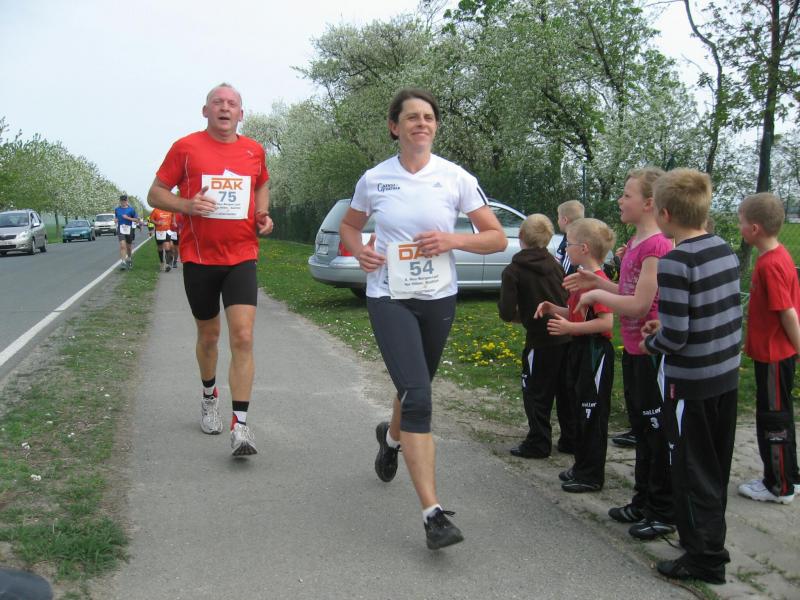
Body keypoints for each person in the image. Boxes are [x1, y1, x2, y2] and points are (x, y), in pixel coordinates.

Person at [339, 88, 507, 550]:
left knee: (415, 388)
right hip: (389, 296)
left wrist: (454, 241)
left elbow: (495, 238)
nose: (421, 124)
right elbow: (350, 226)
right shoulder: (375, 179)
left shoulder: (455, 178)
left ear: (435, 126)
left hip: (438, 297)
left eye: (429, 117)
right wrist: (359, 251)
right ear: (394, 127)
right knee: (418, 396)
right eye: (412, 117)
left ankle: (391, 440)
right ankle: (433, 515)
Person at [147, 82, 273, 457]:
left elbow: (262, 184)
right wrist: (186, 205)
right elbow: (155, 193)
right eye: (217, 102)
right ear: (206, 111)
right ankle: (208, 396)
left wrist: (262, 214)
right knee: (209, 336)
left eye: (232, 103)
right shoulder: (185, 148)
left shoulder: (254, 150)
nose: (224, 107)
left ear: (241, 113)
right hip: (200, 258)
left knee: (243, 336)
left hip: (241, 255)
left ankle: (241, 426)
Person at [640, 168, 741, 585]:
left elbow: (676, 338)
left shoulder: (675, 262)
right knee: (714, 466)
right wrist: (665, 328)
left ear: (664, 214)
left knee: (691, 469)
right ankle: (707, 539)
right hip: (726, 377)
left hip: (691, 385)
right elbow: (709, 314)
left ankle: (704, 559)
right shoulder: (723, 248)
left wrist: (653, 341)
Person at [565, 168, 674, 540]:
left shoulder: (657, 245)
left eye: (627, 195)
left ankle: (662, 510)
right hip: (634, 351)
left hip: (651, 350)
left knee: (656, 430)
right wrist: (599, 281)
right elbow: (627, 291)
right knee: (642, 429)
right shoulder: (637, 241)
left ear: (649, 203)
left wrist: (597, 294)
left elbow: (641, 304)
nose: (620, 200)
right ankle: (642, 501)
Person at [534, 217, 616, 493]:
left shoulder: (598, 282)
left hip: (595, 352)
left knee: (592, 413)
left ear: (583, 248)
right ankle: (581, 465)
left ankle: (591, 474)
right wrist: (554, 309)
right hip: (579, 350)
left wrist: (571, 328)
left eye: (568, 244)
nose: (565, 249)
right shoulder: (580, 278)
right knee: (579, 410)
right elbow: (577, 313)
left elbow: (605, 323)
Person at [737, 192, 800, 504]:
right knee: (779, 415)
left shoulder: (770, 264)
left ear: (755, 228)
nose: (739, 227)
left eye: (741, 222)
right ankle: (790, 475)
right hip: (771, 354)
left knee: (774, 419)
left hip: (775, 355)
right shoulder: (773, 257)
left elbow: (786, 312)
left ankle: (779, 485)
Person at [498, 214, 570, 458]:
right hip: (567, 333)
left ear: (520, 236)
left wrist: (526, 317)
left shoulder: (514, 271)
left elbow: (506, 311)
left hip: (540, 340)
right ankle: (570, 438)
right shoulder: (556, 265)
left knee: (535, 391)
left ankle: (539, 442)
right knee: (565, 390)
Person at [115, 194, 139, 270]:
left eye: (124, 200)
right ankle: (123, 262)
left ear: (127, 201)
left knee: (129, 247)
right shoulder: (117, 209)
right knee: (122, 246)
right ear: (120, 201)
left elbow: (136, 220)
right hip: (121, 229)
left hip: (129, 229)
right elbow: (117, 217)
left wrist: (127, 218)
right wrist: (116, 220)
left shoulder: (131, 210)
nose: (123, 202)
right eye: (122, 201)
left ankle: (129, 258)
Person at [148, 207, 175, 272]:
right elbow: (151, 220)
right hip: (159, 232)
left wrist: (174, 223)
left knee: (167, 247)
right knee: (160, 248)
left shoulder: (170, 209)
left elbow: (173, 218)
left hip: (167, 231)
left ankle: (167, 264)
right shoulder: (156, 210)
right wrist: (157, 223)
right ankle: (162, 262)